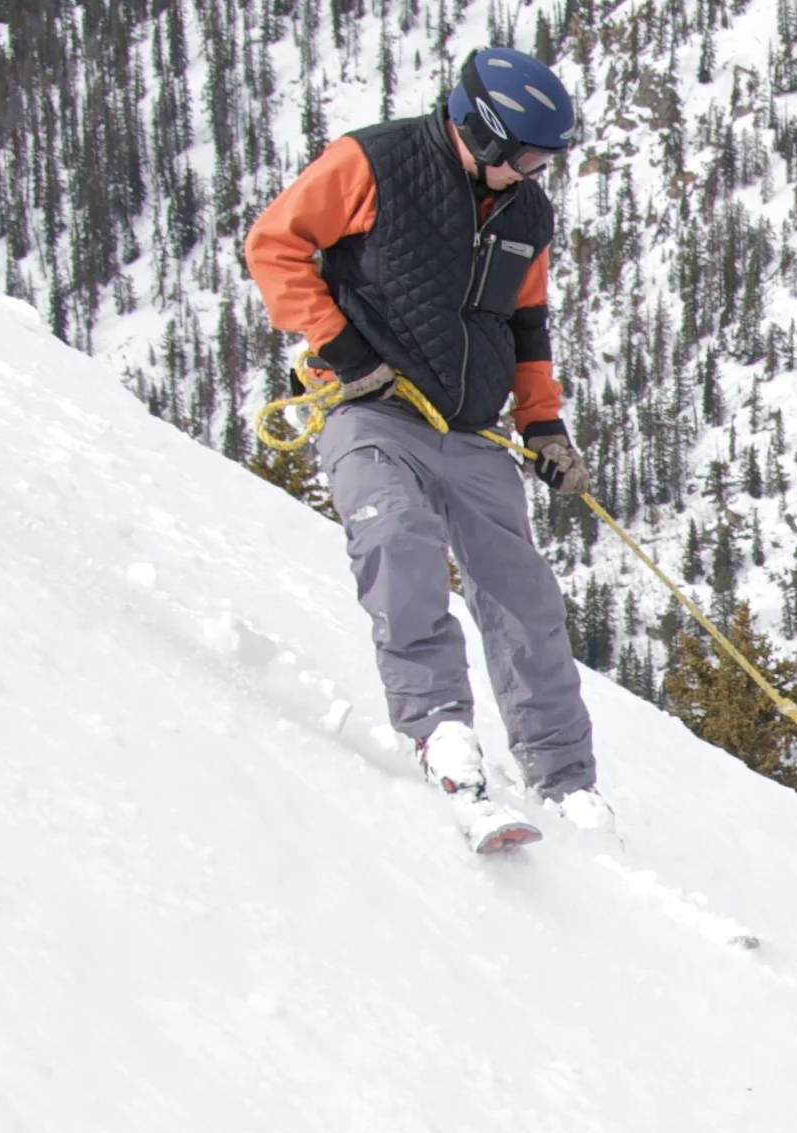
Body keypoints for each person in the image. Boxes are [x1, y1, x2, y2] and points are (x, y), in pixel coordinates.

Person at [244, 47, 607, 847]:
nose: (536, 171)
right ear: (480, 134)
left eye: (549, 159)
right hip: (371, 409)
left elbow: (526, 324)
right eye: (527, 155)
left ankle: (567, 782)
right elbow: (274, 245)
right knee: (398, 542)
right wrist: (342, 351)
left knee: (524, 598)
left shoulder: (526, 214)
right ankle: (441, 730)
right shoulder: (372, 161)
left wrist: (541, 422)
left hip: (471, 430)